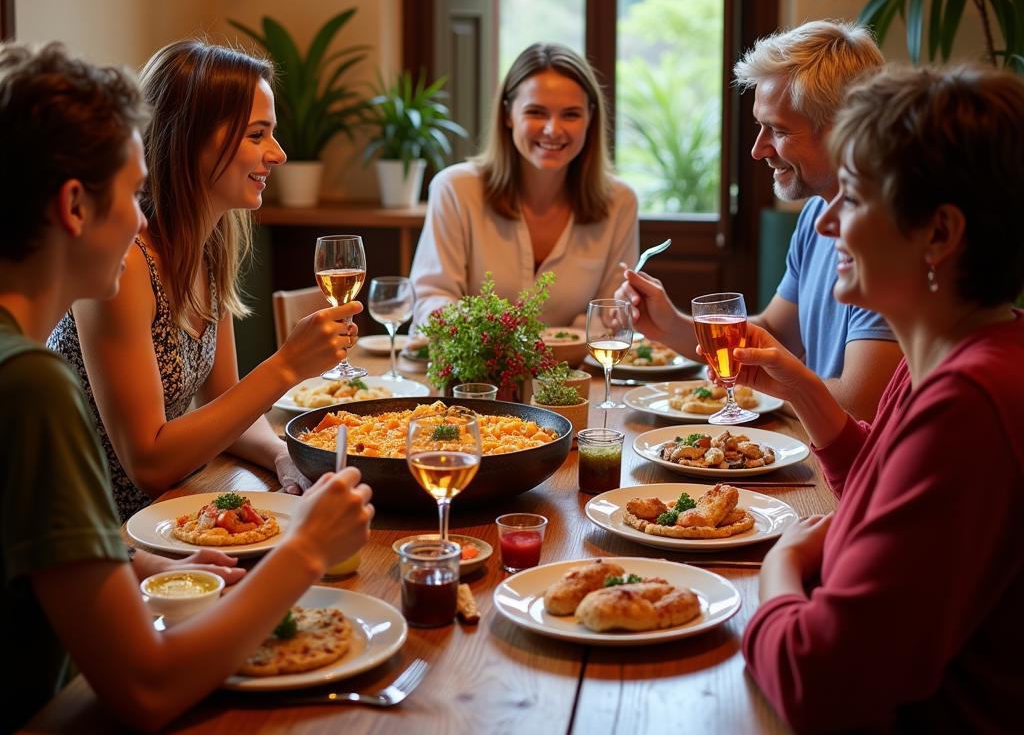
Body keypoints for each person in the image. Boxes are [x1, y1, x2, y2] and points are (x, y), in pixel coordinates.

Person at [0, 43, 372, 731]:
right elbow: (147, 689)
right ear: (75, 206)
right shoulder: (27, 385)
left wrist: (138, 561)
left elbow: (39, 550)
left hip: (143, 546)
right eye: (130, 190)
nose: (142, 219)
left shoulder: (21, 365)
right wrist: (305, 551)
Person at [733, 65, 1024, 731]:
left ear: (940, 235)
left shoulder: (972, 402)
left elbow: (819, 682)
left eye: (855, 199)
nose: (826, 221)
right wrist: (802, 386)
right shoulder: (952, 351)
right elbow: (884, 480)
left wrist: (779, 567)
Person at [49, 39, 360, 520]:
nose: (276, 154)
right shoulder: (124, 262)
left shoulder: (209, 248)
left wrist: (284, 457)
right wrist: (286, 366)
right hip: (99, 539)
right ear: (189, 139)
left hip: (167, 516)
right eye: (257, 135)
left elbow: (226, 405)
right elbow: (147, 464)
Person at [618, 20, 903, 419]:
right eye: (759, 126)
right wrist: (670, 325)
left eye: (778, 130)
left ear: (843, 130)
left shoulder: (888, 237)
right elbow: (777, 331)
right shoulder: (817, 214)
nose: (757, 149)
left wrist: (769, 387)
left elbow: (860, 403)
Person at [410, 42, 638, 328]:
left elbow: (614, 315)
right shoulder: (455, 189)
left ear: (590, 118)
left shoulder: (620, 200)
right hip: (477, 371)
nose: (553, 130)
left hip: (579, 371)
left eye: (570, 114)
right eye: (536, 112)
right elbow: (431, 300)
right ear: (508, 114)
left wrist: (604, 322)